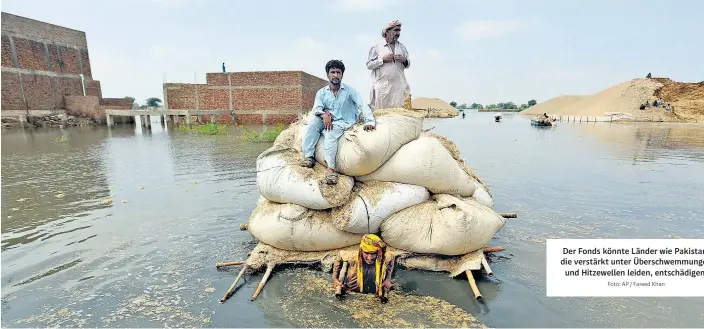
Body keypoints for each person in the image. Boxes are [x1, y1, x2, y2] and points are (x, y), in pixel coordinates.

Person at [300, 60, 376, 185]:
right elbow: (316, 108)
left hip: (343, 122)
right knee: (312, 124)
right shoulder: (322, 92)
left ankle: (330, 169)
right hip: (327, 119)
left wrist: (370, 121)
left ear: (342, 75)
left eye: (338, 72)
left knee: (329, 133)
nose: (335, 75)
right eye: (332, 72)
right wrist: (324, 114)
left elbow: (362, 104)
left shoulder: (350, 91)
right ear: (328, 74)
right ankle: (309, 156)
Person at [333, 234, 395, 302]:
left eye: (373, 253)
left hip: (372, 295)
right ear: (361, 251)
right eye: (366, 253)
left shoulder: (382, 258)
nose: (369, 258)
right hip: (351, 293)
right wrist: (335, 278)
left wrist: (387, 279)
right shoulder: (352, 257)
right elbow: (340, 254)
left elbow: (392, 257)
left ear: (378, 252)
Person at [366, 20, 411, 110]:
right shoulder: (377, 47)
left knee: (400, 117)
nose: (398, 33)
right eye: (396, 30)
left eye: (399, 31)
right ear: (387, 31)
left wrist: (405, 61)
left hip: (399, 88)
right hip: (383, 89)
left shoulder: (402, 47)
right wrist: (382, 60)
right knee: (382, 117)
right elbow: (369, 65)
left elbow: (408, 64)